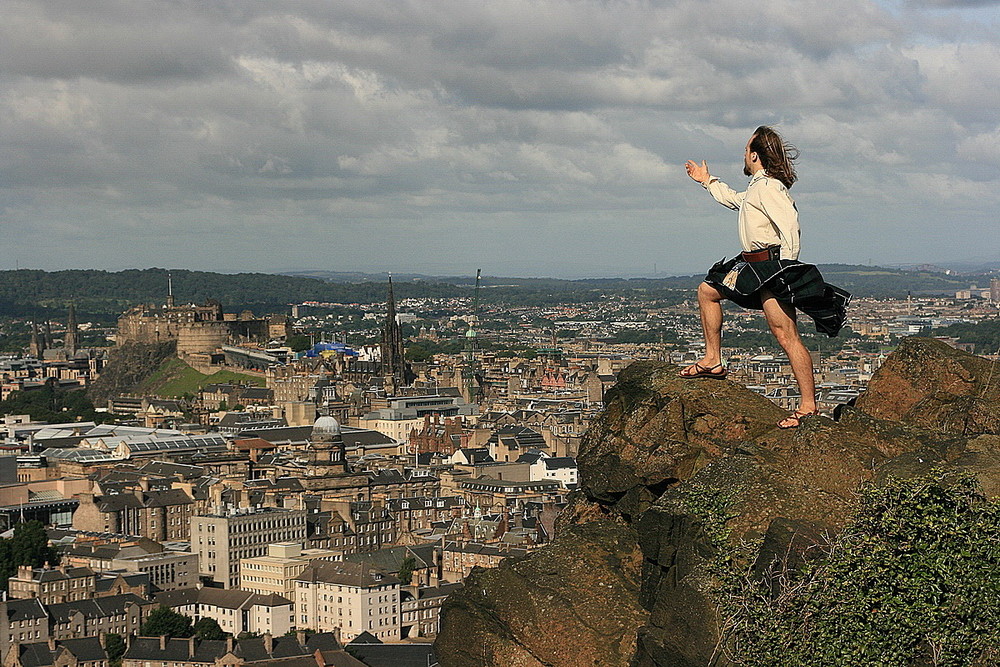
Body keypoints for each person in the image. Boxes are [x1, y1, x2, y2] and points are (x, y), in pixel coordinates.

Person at [682, 126, 850, 429]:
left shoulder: (771, 187)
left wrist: (787, 270)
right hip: (751, 264)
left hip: (771, 267)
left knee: (785, 335)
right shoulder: (759, 187)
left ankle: (809, 406)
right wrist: (707, 181)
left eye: (746, 150)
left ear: (756, 155)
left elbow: (790, 226)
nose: (743, 155)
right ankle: (713, 360)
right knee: (707, 291)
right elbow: (735, 199)